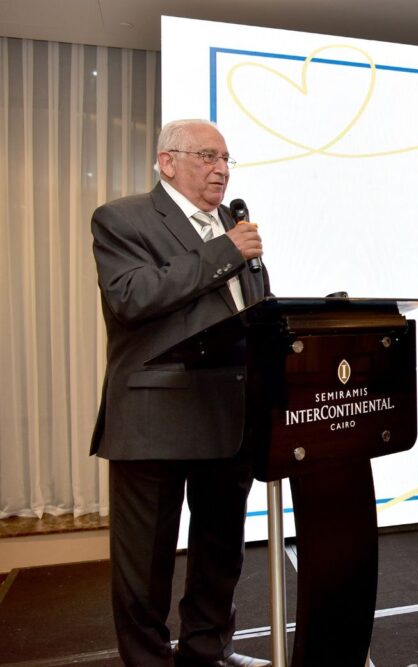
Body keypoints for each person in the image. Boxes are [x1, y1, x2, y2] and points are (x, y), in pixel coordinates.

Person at [90, 119, 271, 667]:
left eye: (225, 159)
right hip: (155, 418)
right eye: (206, 156)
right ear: (167, 162)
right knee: (145, 564)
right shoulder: (123, 218)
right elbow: (132, 296)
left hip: (228, 414)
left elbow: (251, 310)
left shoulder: (233, 225)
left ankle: (207, 652)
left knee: (220, 552)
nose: (221, 169)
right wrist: (225, 253)